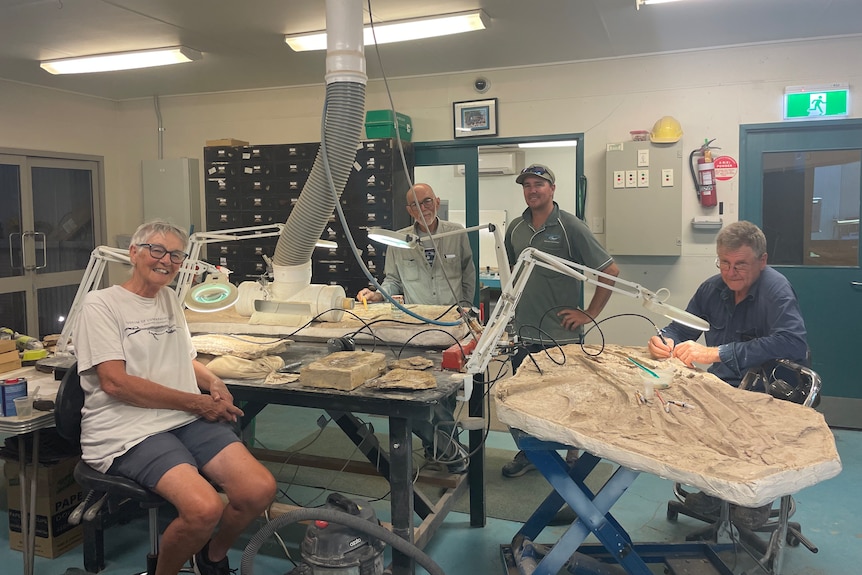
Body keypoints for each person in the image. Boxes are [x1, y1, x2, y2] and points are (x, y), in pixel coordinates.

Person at [74, 220, 277, 575]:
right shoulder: (101, 305)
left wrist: (213, 382)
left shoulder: (168, 298)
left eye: (175, 255)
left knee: (257, 490)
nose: (165, 260)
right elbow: (115, 383)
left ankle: (212, 558)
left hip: (179, 419)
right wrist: (197, 403)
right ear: (134, 253)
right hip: (127, 430)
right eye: (156, 250)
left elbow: (186, 358)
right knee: (204, 508)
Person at [647, 220, 808, 528]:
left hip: (771, 389)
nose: (730, 272)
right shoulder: (712, 288)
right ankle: (714, 493)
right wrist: (665, 338)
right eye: (724, 263)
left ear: (762, 261)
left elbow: (793, 341)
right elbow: (682, 327)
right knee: (685, 412)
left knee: (745, 433)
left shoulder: (775, 289)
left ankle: (754, 498)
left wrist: (718, 353)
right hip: (727, 385)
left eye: (740, 265)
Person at [501, 164, 620, 478]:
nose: (532, 190)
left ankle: (570, 458)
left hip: (561, 336)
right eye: (527, 185)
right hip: (525, 333)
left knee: (564, 402)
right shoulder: (515, 228)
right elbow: (512, 276)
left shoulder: (570, 226)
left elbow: (610, 272)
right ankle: (530, 455)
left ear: (552, 189)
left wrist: (589, 314)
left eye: (538, 184)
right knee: (525, 402)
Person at [357, 183, 475, 473]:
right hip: (416, 328)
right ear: (408, 210)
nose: (422, 209)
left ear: (436, 201)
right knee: (418, 391)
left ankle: (446, 451)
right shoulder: (398, 240)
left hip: (450, 326)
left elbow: (469, 273)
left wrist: (466, 308)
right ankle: (442, 449)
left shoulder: (456, 232)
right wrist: (376, 294)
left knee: (445, 393)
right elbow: (393, 281)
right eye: (415, 205)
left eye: (426, 202)